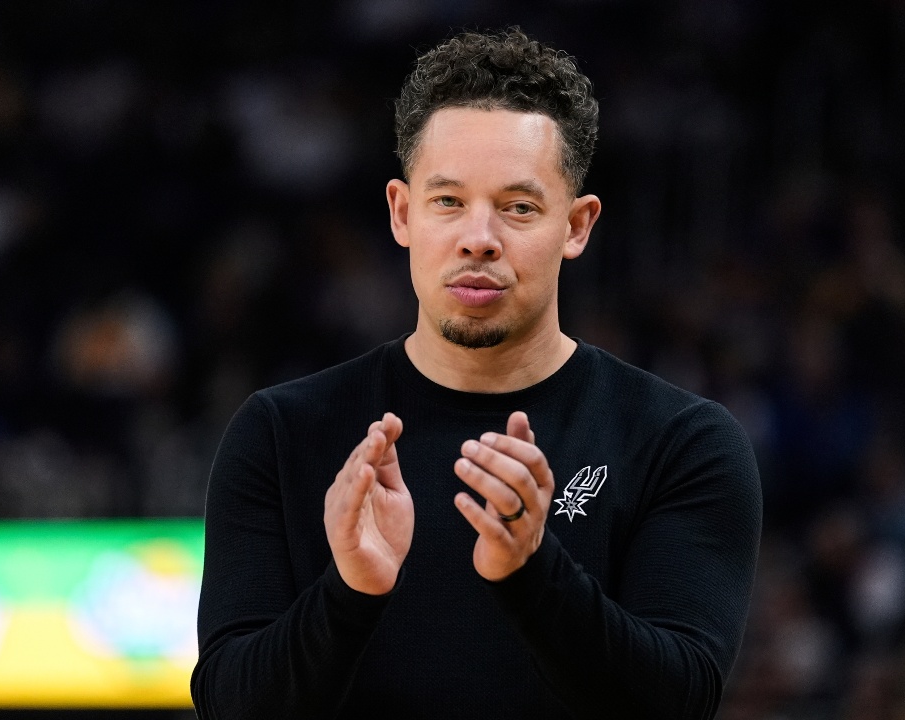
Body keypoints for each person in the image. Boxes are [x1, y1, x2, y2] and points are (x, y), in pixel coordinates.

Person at [190, 28, 762, 719]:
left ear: (577, 226)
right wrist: (348, 592)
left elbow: (680, 703)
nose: (479, 238)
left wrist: (531, 571)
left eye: (519, 207)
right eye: (448, 202)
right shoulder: (281, 433)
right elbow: (229, 706)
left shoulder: (682, 442)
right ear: (402, 213)